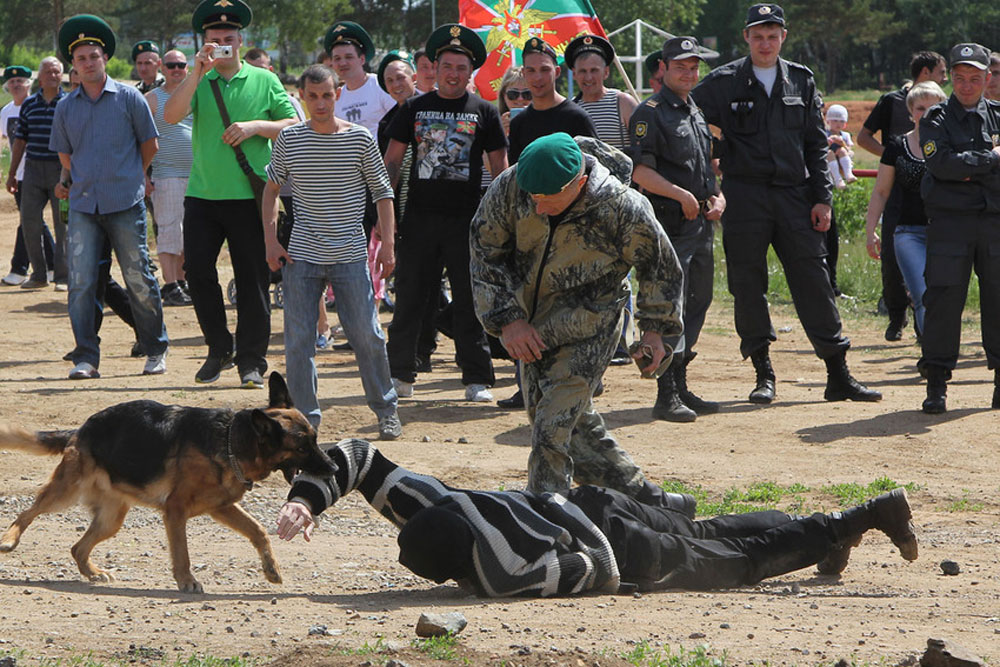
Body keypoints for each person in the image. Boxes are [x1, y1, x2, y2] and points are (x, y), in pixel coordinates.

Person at [276, 438, 918, 596]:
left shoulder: (492, 572)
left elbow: (580, 572)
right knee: (706, 530)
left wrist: (621, 582)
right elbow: (356, 457)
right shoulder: (437, 502)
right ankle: (831, 530)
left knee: (740, 563)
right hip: (589, 502)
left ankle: (856, 518)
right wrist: (306, 498)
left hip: (626, 553)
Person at [471, 131, 684, 499]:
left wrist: (653, 332)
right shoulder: (512, 185)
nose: (537, 208)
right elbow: (484, 251)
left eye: (547, 200)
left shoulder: (622, 208)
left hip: (590, 323)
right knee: (567, 422)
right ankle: (650, 501)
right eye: (532, 198)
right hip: (529, 323)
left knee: (551, 428)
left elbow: (659, 267)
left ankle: (546, 517)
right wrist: (508, 319)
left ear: (580, 183)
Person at [691, 3, 880, 405]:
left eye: (772, 36)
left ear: (783, 37)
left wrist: (822, 200)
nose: (765, 43)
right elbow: (687, 119)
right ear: (746, 38)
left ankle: (838, 373)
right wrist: (717, 152)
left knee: (814, 280)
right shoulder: (723, 82)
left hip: (795, 196)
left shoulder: (801, 80)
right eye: (757, 35)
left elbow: (816, 144)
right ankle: (763, 372)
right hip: (744, 195)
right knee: (747, 283)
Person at [261, 64, 402, 440]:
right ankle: (306, 420)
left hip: (351, 253)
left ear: (337, 94)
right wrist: (271, 241)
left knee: (367, 336)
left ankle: (386, 409)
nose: (320, 103)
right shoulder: (290, 140)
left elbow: (383, 193)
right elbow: (271, 190)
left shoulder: (359, 139)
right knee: (299, 341)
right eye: (313, 96)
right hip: (302, 255)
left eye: (327, 95)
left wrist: (387, 245)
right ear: (302, 98)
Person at [164, 0, 297, 388]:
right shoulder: (197, 79)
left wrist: (256, 125)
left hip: (251, 196)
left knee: (253, 280)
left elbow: (292, 122)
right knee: (198, 273)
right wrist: (196, 73)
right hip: (202, 195)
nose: (221, 45)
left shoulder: (264, 79)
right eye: (213, 40)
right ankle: (219, 348)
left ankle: (251, 360)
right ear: (203, 43)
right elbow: (171, 116)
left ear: (241, 41)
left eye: (228, 39)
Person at [383, 23, 507, 403]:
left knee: (469, 300)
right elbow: (390, 162)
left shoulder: (484, 111)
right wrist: (381, 211)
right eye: (447, 66)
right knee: (410, 297)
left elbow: (500, 170)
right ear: (433, 68)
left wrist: (504, 220)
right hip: (418, 220)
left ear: (471, 72)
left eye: (461, 67)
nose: (453, 74)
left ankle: (477, 378)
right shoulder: (413, 109)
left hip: (466, 222)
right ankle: (400, 374)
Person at [49, 14, 169, 379]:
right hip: (84, 204)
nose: (88, 63)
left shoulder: (130, 97)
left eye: (94, 56)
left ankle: (155, 348)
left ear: (105, 59)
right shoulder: (66, 106)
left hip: (125, 202)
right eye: (81, 58)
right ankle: (86, 357)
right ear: (74, 65)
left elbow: (150, 145)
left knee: (138, 277)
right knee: (82, 283)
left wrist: (134, 176)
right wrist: (72, 178)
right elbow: (64, 154)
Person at [629, 36, 724, 423]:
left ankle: (681, 382)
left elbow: (708, 168)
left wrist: (718, 197)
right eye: (681, 66)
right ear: (663, 69)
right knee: (669, 306)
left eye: (694, 66)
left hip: (700, 225)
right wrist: (679, 194)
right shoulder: (649, 113)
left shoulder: (694, 110)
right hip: (668, 224)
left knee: (698, 301)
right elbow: (640, 171)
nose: (689, 72)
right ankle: (665, 393)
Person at [918, 44, 1000, 414]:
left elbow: (958, 166)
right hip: (950, 223)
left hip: (994, 221)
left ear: (987, 78)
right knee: (943, 300)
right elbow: (942, 165)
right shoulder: (935, 118)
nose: (967, 86)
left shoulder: (997, 115)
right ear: (950, 76)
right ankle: (936, 384)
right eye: (960, 77)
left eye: (976, 78)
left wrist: (968, 168)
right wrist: (992, 159)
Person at [857, 50, 947, 342]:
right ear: (910, 112)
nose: (927, 113)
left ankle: (936, 346)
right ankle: (930, 350)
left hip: (948, 231)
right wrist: (871, 231)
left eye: (934, 107)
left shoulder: (954, 147)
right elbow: (881, 191)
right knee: (922, 293)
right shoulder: (896, 147)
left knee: (943, 294)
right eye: (920, 108)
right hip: (908, 230)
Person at [9, 57, 67, 292]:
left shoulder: (69, 102)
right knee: (29, 221)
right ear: (40, 77)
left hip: (60, 169)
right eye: (48, 72)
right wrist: (12, 173)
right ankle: (39, 274)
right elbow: (20, 140)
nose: (53, 76)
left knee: (63, 224)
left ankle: (63, 277)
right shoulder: (29, 104)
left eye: (57, 72)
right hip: (32, 169)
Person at [145, 49, 193, 307]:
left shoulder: (194, 96)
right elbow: (139, 140)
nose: (176, 69)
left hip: (197, 177)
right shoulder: (152, 99)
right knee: (169, 228)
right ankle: (170, 283)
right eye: (171, 65)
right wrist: (143, 175)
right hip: (166, 175)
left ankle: (183, 281)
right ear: (162, 68)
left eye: (181, 65)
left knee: (189, 233)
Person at [2, 65, 54, 287]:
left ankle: (20, 268)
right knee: (32, 221)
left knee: (30, 220)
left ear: (29, 84)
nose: (16, 85)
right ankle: (51, 265)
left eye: (20, 81)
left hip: (40, 170)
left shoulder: (36, 105)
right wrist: (10, 172)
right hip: (19, 174)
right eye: (12, 82)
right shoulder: (5, 112)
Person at [507, 38, 597, 163]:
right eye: (531, 70)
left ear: (557, 72)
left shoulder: (577, 118)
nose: (537, 77)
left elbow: (594, 171)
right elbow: (516, 175)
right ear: (523, 73)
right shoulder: (518, 124)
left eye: (545, 70)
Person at [566, 34, 638, 151]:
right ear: (574, 74)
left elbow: (644, 148)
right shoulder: (570, 109)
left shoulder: (623, 103)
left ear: (606, 72)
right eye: (583, 71)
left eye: (594, 70)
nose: (588, 77)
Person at [324, 21, 395, 137]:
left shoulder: (381, 85)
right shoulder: (337, 96)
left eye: (348, 57)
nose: (342, 63)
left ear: (362, 59)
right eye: (337, 58)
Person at [825, 104, 857, 189]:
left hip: (841, 156)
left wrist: (842, 143)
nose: (838, 124)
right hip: (829, 157)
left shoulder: (845, 135)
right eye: (835, 121)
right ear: (828, 122)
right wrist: (829, 142)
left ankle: (848, 174)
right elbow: (822, 148)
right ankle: (838, 180)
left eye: (841, 121)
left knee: (842, 150)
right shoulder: (825, 134)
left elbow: (849, 149)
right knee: (829, 153)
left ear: (845, 124)